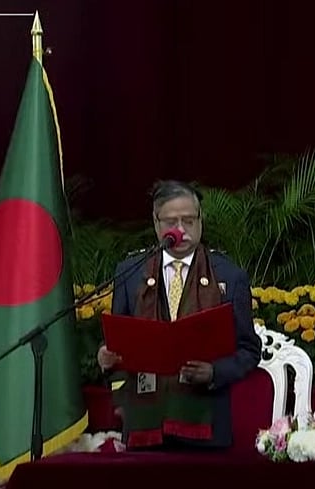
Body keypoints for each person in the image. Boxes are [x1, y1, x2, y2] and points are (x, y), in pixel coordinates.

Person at [97, 180, 261, 450]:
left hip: (207, 428)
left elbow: (249, 350)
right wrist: (106, 355)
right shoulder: (131, 273)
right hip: (144, 426)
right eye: (172, 221)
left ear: (201, 220)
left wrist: (214, 372)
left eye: (189, 220)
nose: (181, 230)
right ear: (156, 222)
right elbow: (119, 341)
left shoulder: (229, 276)